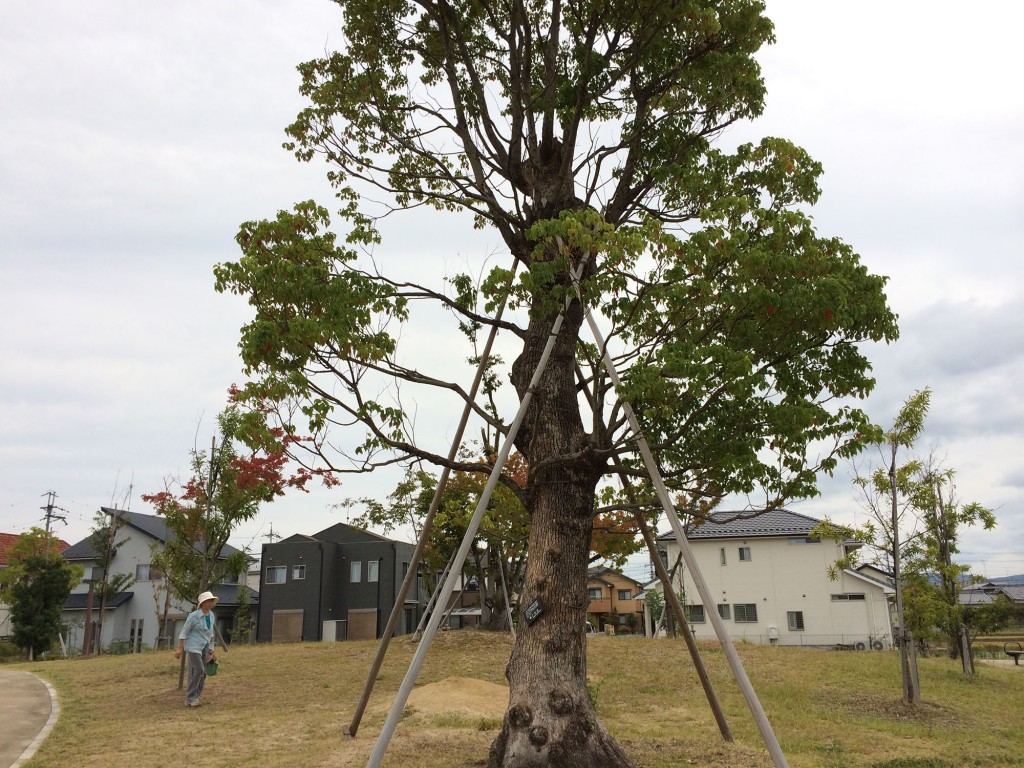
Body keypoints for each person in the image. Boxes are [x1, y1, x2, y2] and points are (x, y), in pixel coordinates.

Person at [175, 591, 218, 707]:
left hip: (204, 645)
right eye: (207, 601)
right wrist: (179, 648)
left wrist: (211, 649)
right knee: (199, 670)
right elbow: (184, 631)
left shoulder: (211, 615)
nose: (209, 603)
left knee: (203, 673)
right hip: (193, 646)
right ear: (202, 603)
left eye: (211, 601)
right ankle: (191, 697)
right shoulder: (193, 616)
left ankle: (195, 696)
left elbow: (211, 633)